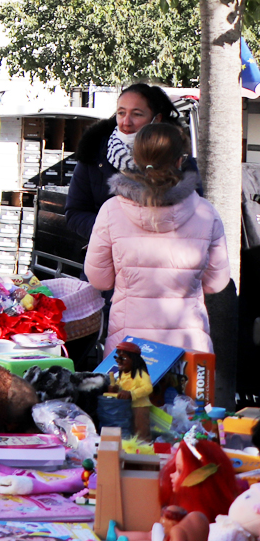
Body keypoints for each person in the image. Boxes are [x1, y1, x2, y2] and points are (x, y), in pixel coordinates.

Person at [84, 123, 229, 357]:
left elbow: (99, 280)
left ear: (135, 158)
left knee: (129, 395)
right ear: (180, 161)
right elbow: (217, 283)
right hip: (190, 349)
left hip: (129, 349)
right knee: (187, 395)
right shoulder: (206, 212)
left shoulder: (111, 210)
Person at [66, 84, 198, 239]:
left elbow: (196, 212)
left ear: (157, 119)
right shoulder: (93, 153)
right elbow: (75, 214)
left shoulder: (177, 156)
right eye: (121, 113)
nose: (126, 122)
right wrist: (114, 232)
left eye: (137, 114)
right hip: (111, 255)